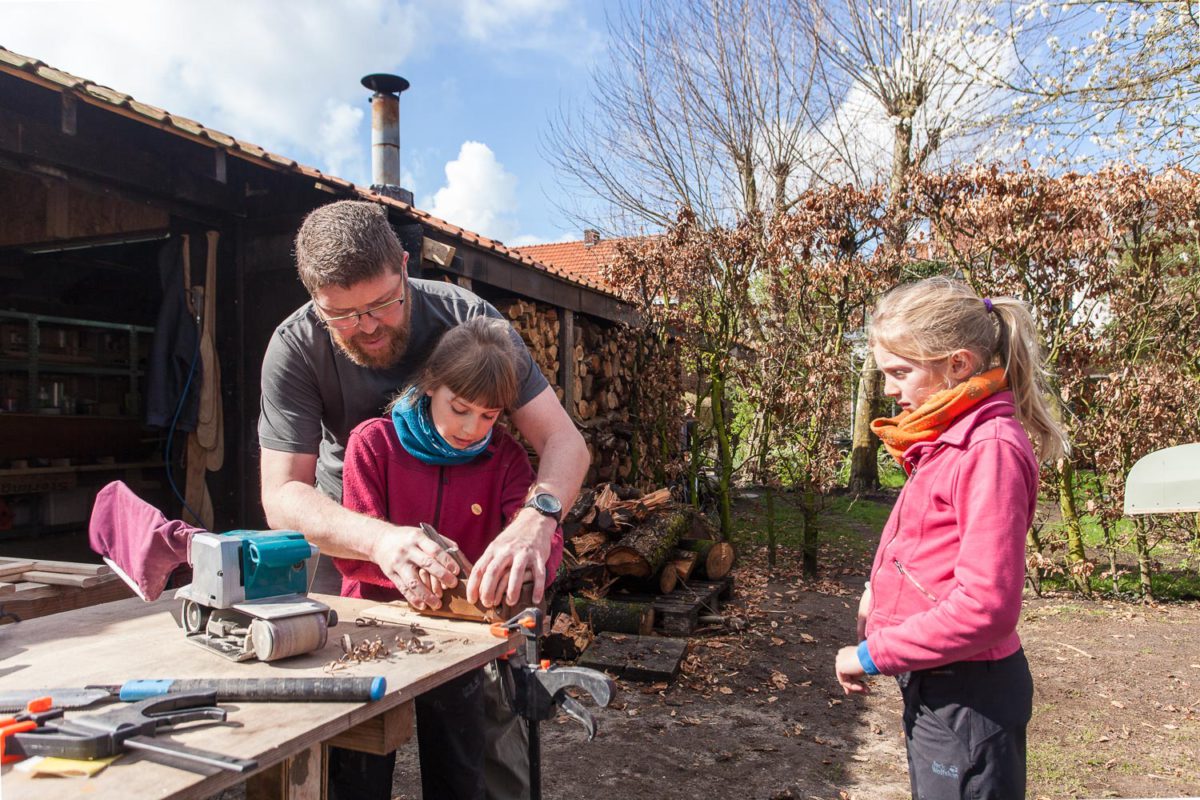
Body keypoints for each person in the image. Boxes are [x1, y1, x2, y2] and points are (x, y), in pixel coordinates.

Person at [258, 200, 589, 799]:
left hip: (463, 575)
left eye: (384, 303)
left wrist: (534, 522)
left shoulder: (469, 319)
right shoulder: (295, 347)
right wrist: (381, 539)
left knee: (473, 743)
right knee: (349, 746)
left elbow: (564, 442)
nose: (368, 326)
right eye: (343, 315)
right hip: (350, 543)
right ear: (314, 300)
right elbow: (283, 494)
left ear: (405, 267)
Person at [834, 277, 1067, 800]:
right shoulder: (949, 440)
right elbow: (925, 542)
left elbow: (986, 608)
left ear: (958, 365)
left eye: (900, 372)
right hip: (938, 682)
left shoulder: (990, 449)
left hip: (968, 692)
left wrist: (871, 654)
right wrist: (877, 596)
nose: (890, 389)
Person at [337, 316, 563, 799]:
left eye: (489, 415)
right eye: (459, 408)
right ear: (430, 385)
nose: (471, 428)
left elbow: (542, 542)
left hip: (464, 642)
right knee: (358, 777)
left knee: (460, 774)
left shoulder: (505, 460)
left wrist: (526, 562)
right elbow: (350, 553)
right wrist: (396, 558)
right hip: (371, 634)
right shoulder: (372, 445)